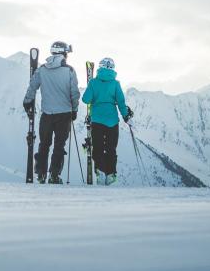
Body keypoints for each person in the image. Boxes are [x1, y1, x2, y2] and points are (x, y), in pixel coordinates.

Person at [23, 41, 80, 184]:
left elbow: (32, 86)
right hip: (64, 114)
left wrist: (27, 101)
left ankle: (41, 173)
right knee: (59, 146)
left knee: (44, 144)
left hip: (47, 114)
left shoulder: (42, 70)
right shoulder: (69, 71)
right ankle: (54, 175)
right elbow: (74, 93)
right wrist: (74, 109)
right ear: (64, 54)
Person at [82, 57, 133, 185]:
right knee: (111, 148)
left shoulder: (93, 82)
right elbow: (121, 102)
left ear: (100, 68)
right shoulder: (116, 84)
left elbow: (85, 99)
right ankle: (111, 174)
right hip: (112, 121)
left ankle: (100, 171)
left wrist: (94, 96)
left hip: (97, 120)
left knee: (98, 147)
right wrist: (126, 116)